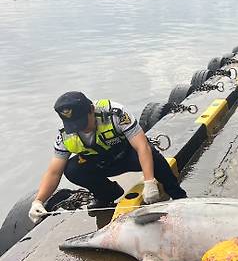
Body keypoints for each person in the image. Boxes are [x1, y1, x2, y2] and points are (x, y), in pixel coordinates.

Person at [29, 92, 186, 223]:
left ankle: (179, 196)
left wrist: (149, 181)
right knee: (72, 169)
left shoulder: (115, 113)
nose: (80, 128)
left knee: (153, 157)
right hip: (100, 163)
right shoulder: (65, 134)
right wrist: (39, 201)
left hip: (127, 155)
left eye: (82, 122)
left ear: (91, 109)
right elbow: (54, 172)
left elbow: (141, 146)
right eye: (74, 125)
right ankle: (108, 193)